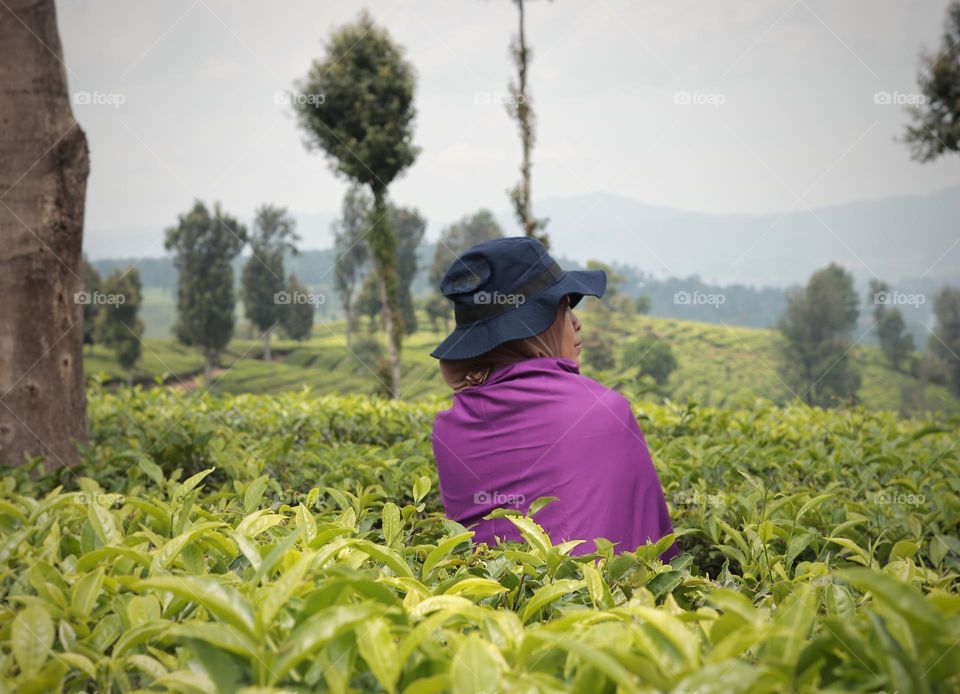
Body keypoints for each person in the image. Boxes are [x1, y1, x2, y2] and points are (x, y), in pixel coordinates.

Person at [429, 236, 679, 560]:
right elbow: (654, 555)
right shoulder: (606, 412)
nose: (577, 322)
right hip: (596, 607)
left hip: (484, 606)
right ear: (532, 328)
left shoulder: (450, 428)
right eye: (561, 308)